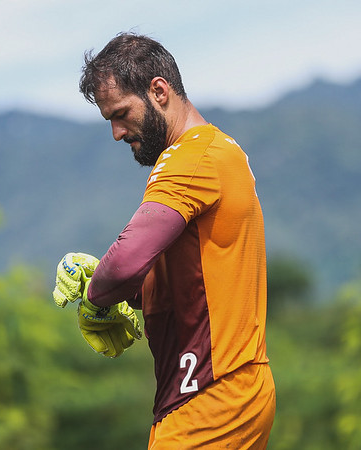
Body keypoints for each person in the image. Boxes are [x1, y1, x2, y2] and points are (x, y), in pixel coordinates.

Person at [52, 32, 276, 448]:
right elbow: (186, 285)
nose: (117, 132)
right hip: (229, 388)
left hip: (211, 394)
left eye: (121, 113)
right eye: (109, 120)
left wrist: (95, 300)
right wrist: (110, 286)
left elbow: (125, 263)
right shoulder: (216, 153)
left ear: (158, 91)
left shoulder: (192, 157)